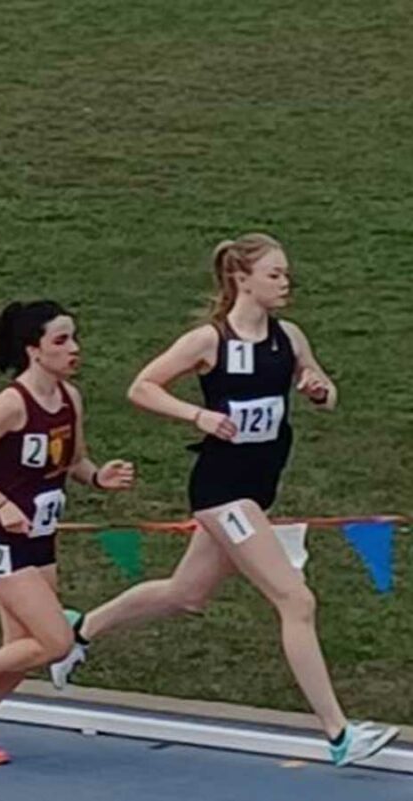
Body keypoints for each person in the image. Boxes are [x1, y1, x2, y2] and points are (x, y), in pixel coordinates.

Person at [48, 233, 398, 767]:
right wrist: (198, 415)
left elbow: (323, 387)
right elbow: (142, 387)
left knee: (186, 594)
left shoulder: (290, 337)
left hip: (259, 489)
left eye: (286, 274)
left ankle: (80, 630)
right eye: (275, 274)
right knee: (296, 600)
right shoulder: (209, 341)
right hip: (222, 493)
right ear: (243, 279)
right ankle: (339, 734)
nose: (286, 283)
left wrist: (319, 390)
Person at [0, 300, 135, 763]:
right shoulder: (11, 404)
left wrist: (98, 476)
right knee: (55, 642)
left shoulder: (70, 399)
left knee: (22, 654)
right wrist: (0, 503)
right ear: (34, 350)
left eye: (74, 338)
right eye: (61, 341)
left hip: (40, 541)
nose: (74, 349)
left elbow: (74, 460)